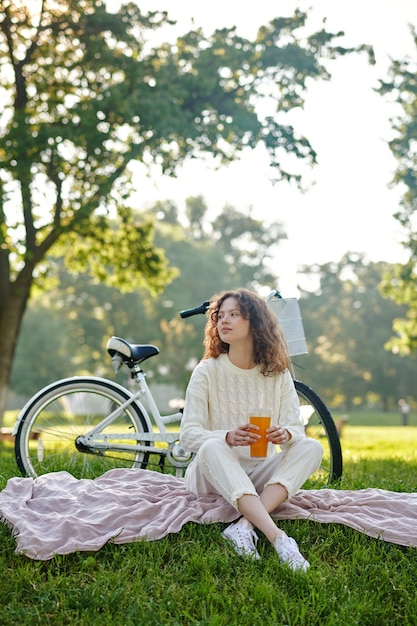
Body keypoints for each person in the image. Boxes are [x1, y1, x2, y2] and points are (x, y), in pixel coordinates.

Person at [180, 288, 323, 571]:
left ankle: (243, 526)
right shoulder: (207, 371)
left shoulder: (277, 373)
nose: (224, 321)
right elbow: (188, 434)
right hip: (211, 476)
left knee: (312, 447)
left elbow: (296, 427)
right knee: (212, 445)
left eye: (234, 314)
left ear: (254, 322)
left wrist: (287, 434)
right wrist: (227, 437)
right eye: (220, 316)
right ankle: (278, 537)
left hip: (257, 475)